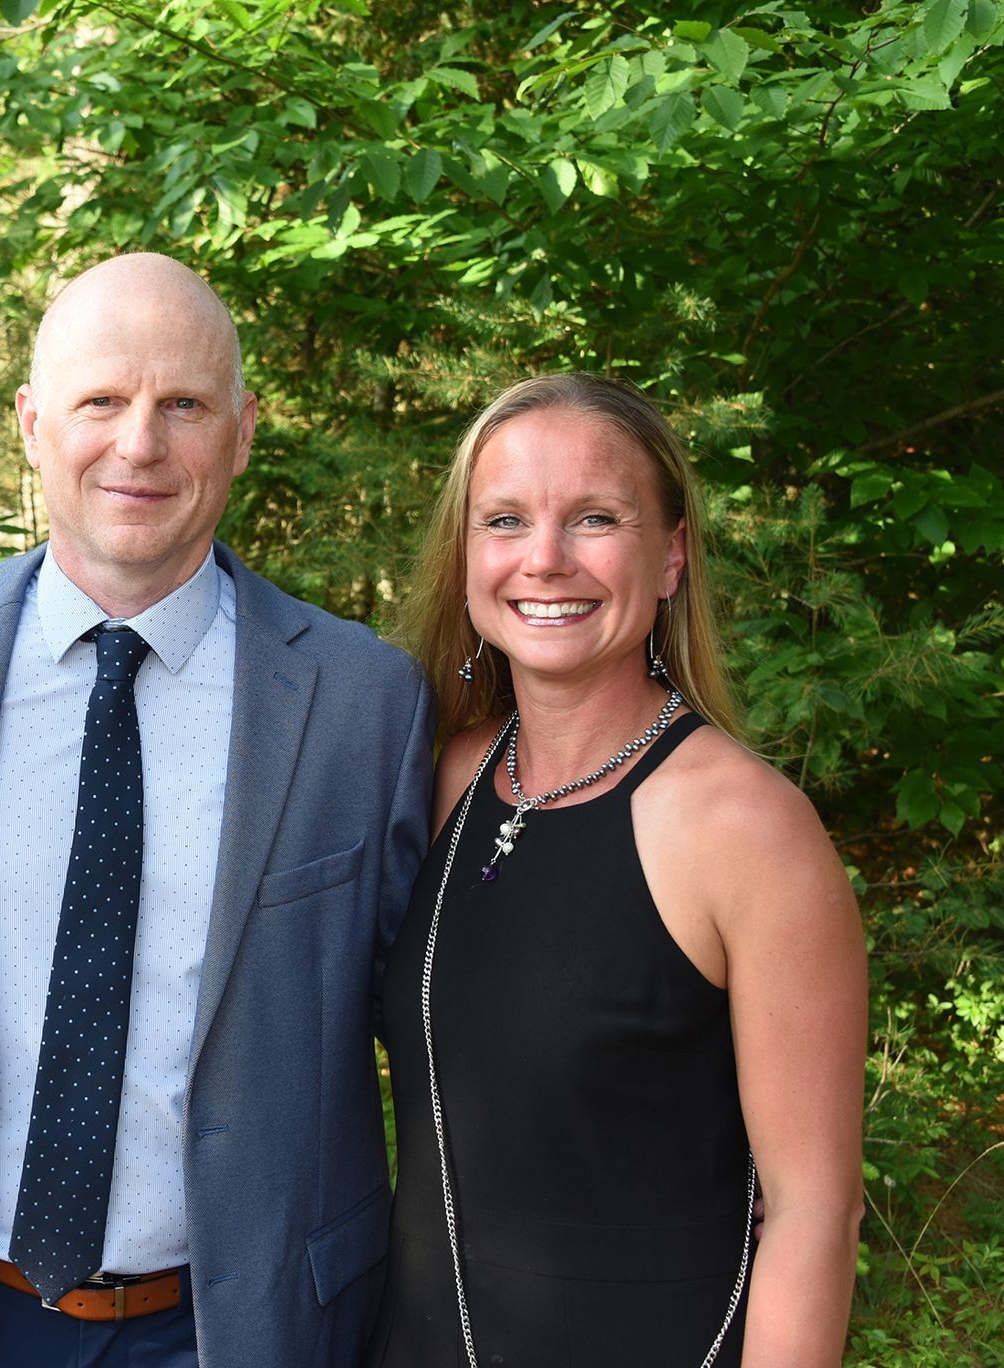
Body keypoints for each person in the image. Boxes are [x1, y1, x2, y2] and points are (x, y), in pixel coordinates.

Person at [0, 253, 435, 1366]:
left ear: (242, 433)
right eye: (101, 400)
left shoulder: (364, 705)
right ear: (31, 425)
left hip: (240, 1326)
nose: (140, 443)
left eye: (184, 405)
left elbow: (447, 1030)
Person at [370, 374, 867, 1366]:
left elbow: (814, 1212)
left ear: (671, 555)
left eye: (595, 517)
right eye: (505, 520)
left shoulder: (749, 829)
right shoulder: (447, 777)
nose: (545, 558)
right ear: (466, 558)